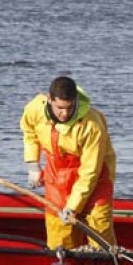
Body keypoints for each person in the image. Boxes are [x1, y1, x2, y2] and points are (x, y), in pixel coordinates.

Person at [20, 76, 117, 250]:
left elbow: (90, 172)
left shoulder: (91, 126)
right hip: (57, 182)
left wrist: (72, 207)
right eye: (60, 108)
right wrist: (33, 164)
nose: (64, 114)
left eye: (70, 108)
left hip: (95, 184)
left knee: (100, 233)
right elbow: (29, 132)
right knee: (59, 240)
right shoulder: (35, 109)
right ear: (49, 100)